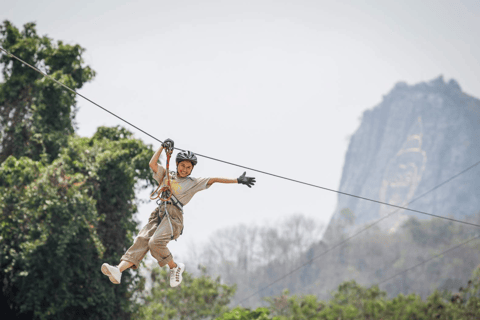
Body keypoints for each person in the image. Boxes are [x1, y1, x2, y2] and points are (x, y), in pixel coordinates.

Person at [101, 138, 256, 287]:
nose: (185, 169)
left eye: (189, 168)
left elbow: (214, 179)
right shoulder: (167, 175)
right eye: (182, 166)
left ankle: (175, 267)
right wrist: (162, 147)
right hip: (159, 213)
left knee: (155, 242)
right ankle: (118, 270)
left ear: (192, 169)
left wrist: (237, 180)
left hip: (173, 218)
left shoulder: (193, 183)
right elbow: (152, 164)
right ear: (177, 164)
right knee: (142, 239)